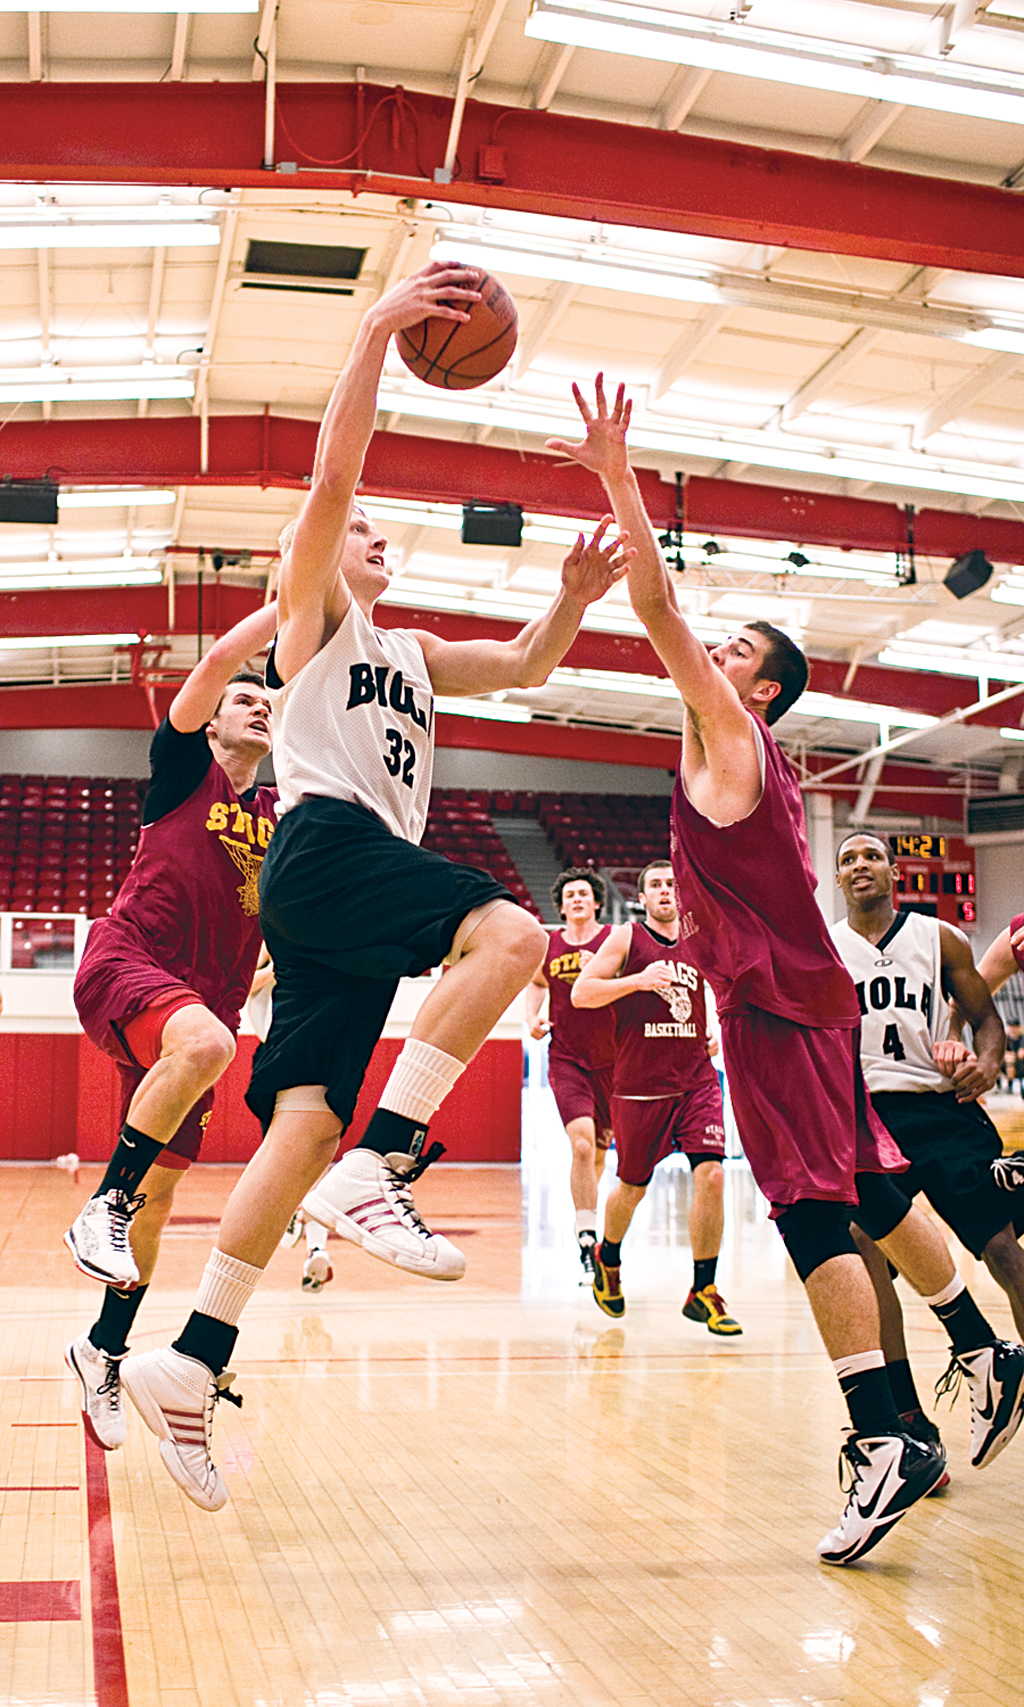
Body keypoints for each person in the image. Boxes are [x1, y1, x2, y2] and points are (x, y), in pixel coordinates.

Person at [118, 262, 633, 1512]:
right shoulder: (314, 619)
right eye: (358, 533)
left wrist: (566, 605)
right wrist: (373, 341)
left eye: (376, 537)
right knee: (513, 933)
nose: (372, 535)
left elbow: (515, 666)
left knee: (298, 1122)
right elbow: (334, 481)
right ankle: (388, 1161)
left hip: (337, 892)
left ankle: (192, 1360)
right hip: (330, 845)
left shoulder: (409, 651)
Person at [547, 373, 1024, 1566]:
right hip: (808, 1002)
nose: (713, 649)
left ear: (755, 686)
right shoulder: (748, 756)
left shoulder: (729, 732)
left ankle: (886, 1435)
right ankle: (979, 1337)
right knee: (865, 1181)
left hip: (771, 1008)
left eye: (735, 649)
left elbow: (656, 607)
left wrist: (616, 474)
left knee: (812, 1210)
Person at [63, 605, 279, 1450]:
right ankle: (99, 1203)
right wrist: (284, 608)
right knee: (208, 1046)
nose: (260, 705)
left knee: (159, 1202)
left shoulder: (278, 822)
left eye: (269, 700)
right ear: (210, 717)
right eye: (243, 698)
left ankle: (101, 1349)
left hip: (201, 1008)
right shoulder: (184, 770)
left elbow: (275, 924)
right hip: (129, 962)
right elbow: (222, 654)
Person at [832, 833, 1024, 1342]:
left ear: (894, 872)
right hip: (868, 1118)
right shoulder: (827, 951)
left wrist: (986, 1063)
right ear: (836, 878)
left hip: (941, 1110)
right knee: (863, 1244)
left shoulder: (940, 937)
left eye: (872, 856)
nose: (860, 865)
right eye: (848, 858)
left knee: (1004, 1250)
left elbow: (986, 1018)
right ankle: (903, 1407)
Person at [572, 859, 739, 1333]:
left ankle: (703, 1289)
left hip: (697, 1080)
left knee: (711, 1175)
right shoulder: (627, 939)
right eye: (656, 886)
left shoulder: (702, 938)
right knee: (632, 1186)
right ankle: (609, 1255)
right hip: (640, 1087)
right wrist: (637, 981)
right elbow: (583, 992)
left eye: (672, 884)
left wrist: (716, 1029)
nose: (666, 891)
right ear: (642, 898)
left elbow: (721, 990)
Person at [526, 867, 617, 1280]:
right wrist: (532, 1016)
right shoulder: (551, 945)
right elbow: (537, 983)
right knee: (581, 1147)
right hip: (567, 1057)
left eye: (584, 894)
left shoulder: (614, 942)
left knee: (599, 1153)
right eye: (570, 896)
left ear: (597, 902)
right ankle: (586, 1239)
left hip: (616, 1060)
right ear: (561, 906)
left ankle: (590, 1213)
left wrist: (600, 966)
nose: (577, 900)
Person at [247, 948, 333, 1294]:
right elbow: (247, 985)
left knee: (308, 1160)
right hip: (286, 1056)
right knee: (298, 1161)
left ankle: (304, 1229)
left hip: (303, 1054)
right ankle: (307, 1233)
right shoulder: (265, 958)